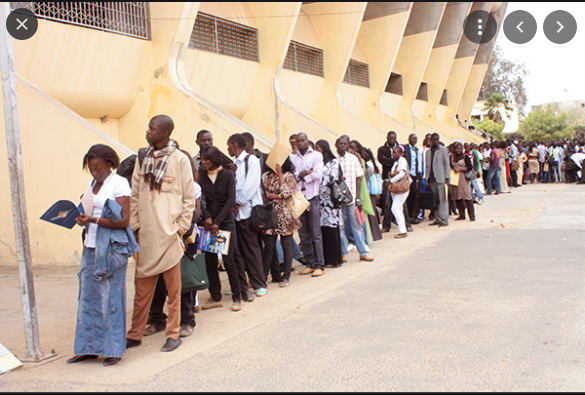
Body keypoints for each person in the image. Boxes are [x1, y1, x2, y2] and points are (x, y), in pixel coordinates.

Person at [127, 114, 195, 353]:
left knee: (173, 292)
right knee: (142, 291)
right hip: (146, 235)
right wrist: (135, 226)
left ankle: (173, 333)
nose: (147, 132)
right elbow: (135, 194)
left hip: (169, 237)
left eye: (152, 128)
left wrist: (180, 228)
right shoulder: (143, 158)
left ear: (164, 133)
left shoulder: (180, 159)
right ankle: (134, 335)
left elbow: (189, 198)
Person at [68, 144, 138, 367]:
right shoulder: (93, 183)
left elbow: (124, 220)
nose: (94, 172)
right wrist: (81, 217)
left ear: (110, 164)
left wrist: (92, 220)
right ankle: (87, 347)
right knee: (87, 297)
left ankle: (113, 350)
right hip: (90, 245)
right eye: (91, 169)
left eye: (98, 169)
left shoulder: (119, 183)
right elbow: (89, 209)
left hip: (111, 248)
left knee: (111, 299)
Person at [144, 148, 200, 337]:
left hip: (175, 238)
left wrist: (180, 233)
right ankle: (157, 319)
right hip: (153, 240)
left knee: (179, 282)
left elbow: (191, 212)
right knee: (156, 283)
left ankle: (186, 321)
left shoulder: (184, 185)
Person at [199, 145, 253, 311]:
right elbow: (201, 200)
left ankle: (237, 296)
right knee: (210, 261)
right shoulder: (201, 176)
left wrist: (219, 221)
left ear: (214, 160)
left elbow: (231, 200)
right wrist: (208, 217)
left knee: (229, 260)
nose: (203, 162)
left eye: (206, 159)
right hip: (208, 224)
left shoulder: (227, 175)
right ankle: (215, 295)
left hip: (226, 222)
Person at [227, 133, 268, 296]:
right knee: (237, 252)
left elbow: (250, 187)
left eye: (229, 145)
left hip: (247, 212)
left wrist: (237, 202)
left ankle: (259, 283)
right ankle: (240, 284)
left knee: (251, 248)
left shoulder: (251, 161)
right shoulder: (232, 164)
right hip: (234, 213)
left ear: (235, 144)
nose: (228, 148)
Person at [290, 133, 326, 276]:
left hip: (312, 198)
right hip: (299, 198)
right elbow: (292, 177)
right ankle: (310, 264)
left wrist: (300, 176)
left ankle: (319, 265)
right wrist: (304, 173)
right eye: (298, 141)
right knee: (303, 234)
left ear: (307, 141)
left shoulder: (317, 155)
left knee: (315, 234)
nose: (300, 143)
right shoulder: (292, 158)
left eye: (302, 140)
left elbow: (317, 174)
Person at [260, 159, 301, 287]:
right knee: (269, 247)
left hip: (285, 215)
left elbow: (286, 193)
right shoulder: (265, 176)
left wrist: (280, 175)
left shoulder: (288, 176)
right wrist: (278, 196)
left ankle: (286, 276)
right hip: (270, 214)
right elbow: (263, 194)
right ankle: (263, 277)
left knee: (286, 245)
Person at [335, 136, 375, 261]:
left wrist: (358, 197)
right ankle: (343, 253)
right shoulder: (333, 160)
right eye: (340, 144)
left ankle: (362, 251)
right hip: (338, 200)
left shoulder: (353, 159)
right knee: (340, 226)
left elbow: (359, 178)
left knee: (356, 226)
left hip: (352, 198)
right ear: (336, 145)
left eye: (344, 144)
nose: (342, 146)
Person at [315, 139, 344, 268]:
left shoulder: (333, 162)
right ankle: (326, 259)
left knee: (332, 229)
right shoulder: (316, 162)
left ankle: (335, 259)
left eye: (318, 148)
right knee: (323, 230)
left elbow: (331, 178)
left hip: (330, 201)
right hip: (319, 202)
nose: (316, 151)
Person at [425, 133, 450, 227]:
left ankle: (444, 219)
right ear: (430, 140)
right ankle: (438, 218)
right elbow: (427, 166)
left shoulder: (443, 150)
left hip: (440, 178)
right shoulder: (427, 152)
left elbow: (446, 164)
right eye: (433, 140)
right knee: (435, 200)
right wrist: (426, 179)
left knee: (442, 199)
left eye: (437, 140)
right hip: (431, 178)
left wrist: (447, 178)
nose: (435, 142)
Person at [377, 131, 399, 232]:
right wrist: (394, 160)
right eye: (390, 138)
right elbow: (382, 161)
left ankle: (402, 223)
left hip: (398, 180)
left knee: (400, 203)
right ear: (387, 138)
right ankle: (386, 226)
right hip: (387, 179)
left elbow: (402, 160)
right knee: (387, 203)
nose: (392, 140)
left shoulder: (400, 148)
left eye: (394, 138)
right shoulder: (382, 149)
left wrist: (388, 160)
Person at [388, 146, 410, 238]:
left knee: (395, 208)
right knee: (399, 209)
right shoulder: (396, 162)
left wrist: (391, 181)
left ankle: (403, 231)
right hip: (396, 189)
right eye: (393, 153)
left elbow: (401, 174)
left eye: (395, 153)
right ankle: (402, 229)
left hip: (402, 189)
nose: (393, 154)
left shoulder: (402, 161)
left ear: (400, 153)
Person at [450, 142, 475, 221]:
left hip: (463, 179)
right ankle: (461, 215)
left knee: (467, 197)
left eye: (460, 148)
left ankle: (472, 216)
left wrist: (460, 169)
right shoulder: (451, 157)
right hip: (455, 180)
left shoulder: (465, 157)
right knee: (458, 197)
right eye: (457, 148)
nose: (459, 150)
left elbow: (470, 167)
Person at [403, 134, 422, 223]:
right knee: (406, 195)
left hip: (414, 176)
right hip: (407, 175)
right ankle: (405, 216)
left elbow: (417, 163)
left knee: (413, 195)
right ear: (409, 139)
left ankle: (411, 215)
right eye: (412, 138)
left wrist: (417, 178)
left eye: (415, 138)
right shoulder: (405, 148)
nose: (414, 140)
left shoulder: (416, 150)